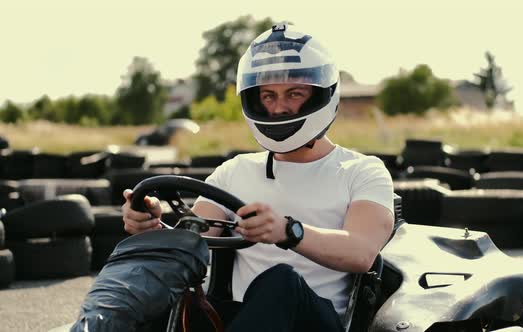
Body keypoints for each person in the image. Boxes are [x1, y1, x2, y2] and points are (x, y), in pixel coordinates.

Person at [122, 23, 395, 332]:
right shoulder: (234, 171)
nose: (278, 108)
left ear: (322, 94)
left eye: (293, 94)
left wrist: (288, 231)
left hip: (317, 321)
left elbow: (361, 252)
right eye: (268, 96)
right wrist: (152, 226)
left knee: (282, 282)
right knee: (158, 291)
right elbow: (193, 238)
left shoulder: (362, 171)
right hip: (248, 319)